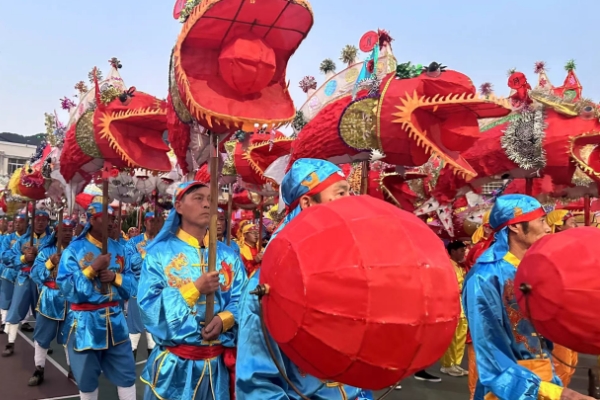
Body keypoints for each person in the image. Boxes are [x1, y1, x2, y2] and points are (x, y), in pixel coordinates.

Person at [236, 158, 372, 400]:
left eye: (350, 192)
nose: (350, 201)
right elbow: (258, 385)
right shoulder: (269, 282)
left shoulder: (350, 269)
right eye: (341, 193)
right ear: (308, 203)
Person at [463, 194, 594, 400]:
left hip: (546, 376)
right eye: (541, 221)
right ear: (515, 227)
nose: (546, 228)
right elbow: (491, 356)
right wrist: (559, 394)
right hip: (509, 389)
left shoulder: (534, 268)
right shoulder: (485, 277)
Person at [138, 181, 246, 400]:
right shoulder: (158, 254)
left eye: (211, 199)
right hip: (173, 368)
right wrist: (194, 289)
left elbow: (242, 299)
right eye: (199, 198)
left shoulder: (228, 256)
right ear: (179, 206)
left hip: (217, 370)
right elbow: (148, 308)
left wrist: (225, 319)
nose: (207, 205)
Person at [57, 203, 137, 400]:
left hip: (116, 323)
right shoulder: (74, 250)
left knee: (127, 374)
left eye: (113, 218)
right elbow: (67, 289)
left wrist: (115, 278)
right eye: (106, 218)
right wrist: (92, 269)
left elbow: (135, 284)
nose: (111, 222)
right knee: (87, 379)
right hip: (85, 324)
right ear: (92, 220)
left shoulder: (121, 249)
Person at [28, 217, 77, 386]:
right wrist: (50, 263)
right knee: (42, 336)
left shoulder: (77, 252)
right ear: (56, 233)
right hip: (50, 299)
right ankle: (39, 368)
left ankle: (73, 369)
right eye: (64, 230)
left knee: (71, 336)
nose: (68, 234)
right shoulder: (45, 252)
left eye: (70, 230)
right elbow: (35, 274)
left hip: (71, 301)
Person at [2, 210, 52, 356]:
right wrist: (24, 258)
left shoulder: (51, 241)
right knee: (15, 309)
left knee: (43, 314)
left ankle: (43, 345)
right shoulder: (22, 240)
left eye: (43, 220)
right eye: (37, 220)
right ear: (32, 221)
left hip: (43, 282)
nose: (40, 223)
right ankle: (10, 343)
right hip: (23, 278)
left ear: (47, 222)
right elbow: (7, 257)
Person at [546, 210, 578, 389]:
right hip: (556, 316)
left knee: (571, 363)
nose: (576, 226)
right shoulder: (549, 251)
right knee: (561, 366)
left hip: (571, 314)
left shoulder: (570, 248)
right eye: (572, 222)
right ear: (559, 225)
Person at [124, 211, 163, 360]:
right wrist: (143, 255)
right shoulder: (133, 243)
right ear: (145, 223)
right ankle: (126, 374)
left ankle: (153, 369)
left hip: (158, 293)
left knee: (153, 333)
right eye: (152, 221)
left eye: (158, 221)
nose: (155, 224)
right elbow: (131, 265)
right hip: (138, 291)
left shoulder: (164, 243)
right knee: (134, 329)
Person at [440, 241, 469, 377]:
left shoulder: (460, 266)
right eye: (461, 250)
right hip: (451, 305)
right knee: (451, 337)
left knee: (460, 335)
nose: (464, 253)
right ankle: (447, 364)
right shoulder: (447, 265)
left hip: (461, 305)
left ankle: (456, 364)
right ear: (452, 251)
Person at [0, 214, 26, 333]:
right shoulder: (8, 238)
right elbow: (4, 255)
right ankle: (4, 322)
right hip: (9, 271)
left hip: (23, 273)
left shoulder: (28, 238)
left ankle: (23, 322)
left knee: (22, 300)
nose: (17, 224)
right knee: (6, 298)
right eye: (15, 222)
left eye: (20, 222)